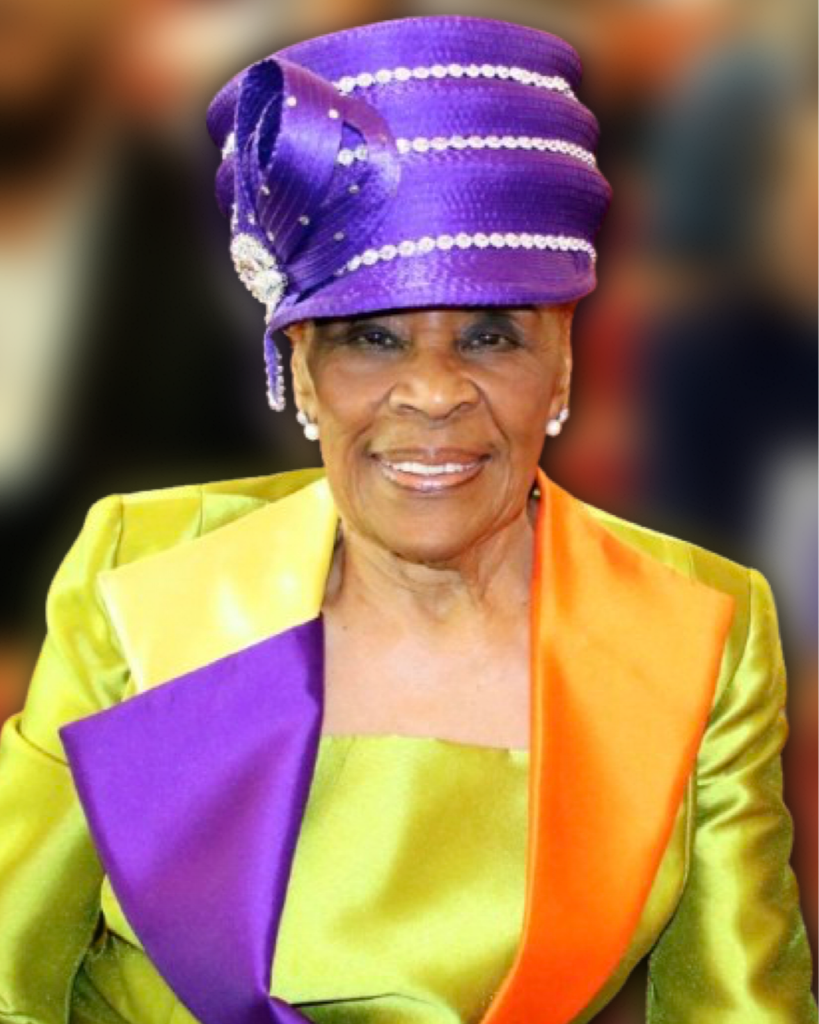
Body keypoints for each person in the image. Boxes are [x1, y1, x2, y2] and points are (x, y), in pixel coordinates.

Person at [0, 15, 816, 1024]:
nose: (433, 392)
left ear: (564, 364)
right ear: (300, 371)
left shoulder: (703, 628)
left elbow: (741, 1007)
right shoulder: (137, 576)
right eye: (371, 338)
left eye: (491, 335)